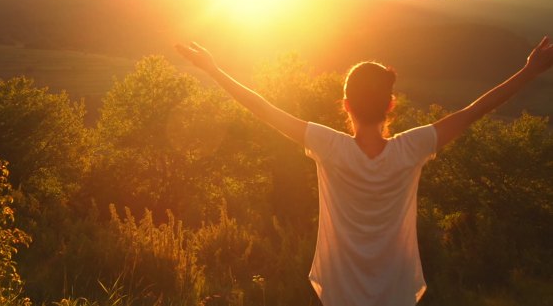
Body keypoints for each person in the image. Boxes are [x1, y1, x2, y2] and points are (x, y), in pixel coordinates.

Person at [175, 36, 553, 306]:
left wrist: (215, 69)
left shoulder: (329, 146)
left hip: (339, 295)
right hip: (398, 295)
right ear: (391, 105)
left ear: (345, 105)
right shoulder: (413, 147)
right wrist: (528, 72)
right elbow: (474, 110)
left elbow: (261, 108)